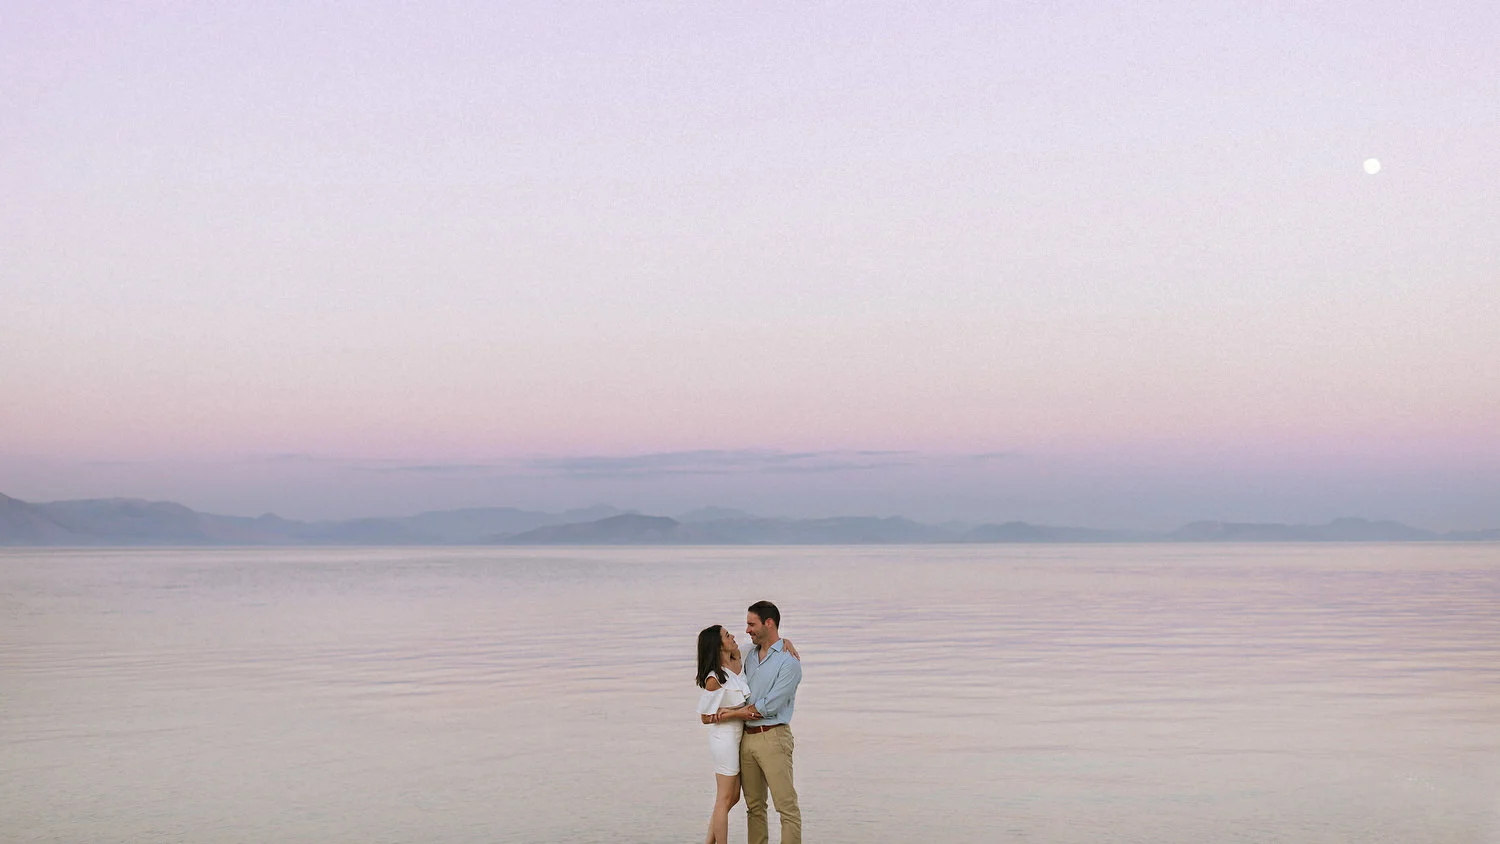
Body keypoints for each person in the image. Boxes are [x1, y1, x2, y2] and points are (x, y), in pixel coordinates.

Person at [695, 621, 800, 844]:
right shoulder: (715, 678)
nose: (734, 636)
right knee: (725, 798)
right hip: (725, 741)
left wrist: (785, 642)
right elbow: (705, 716)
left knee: (732, 798)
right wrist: (738, 713)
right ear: (719, 646)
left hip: (739, 738)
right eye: (726, 636)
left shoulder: (740, 656)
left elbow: (766, 642)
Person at [735, 600, 803, 844]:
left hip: (773, 738)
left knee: (786, 808)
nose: (747, 630)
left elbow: (769, 706)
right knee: (754, 808)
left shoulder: (789, 662)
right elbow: (719, 649)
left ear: (769, 623)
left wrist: (733, 714)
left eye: (751, 624)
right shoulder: (748, 654)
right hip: (747, 740)